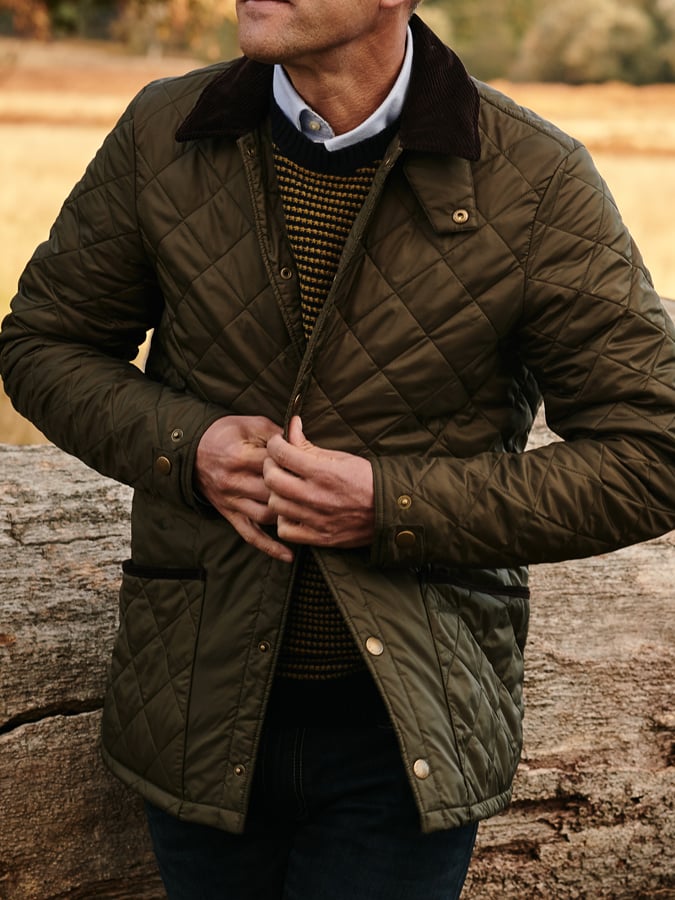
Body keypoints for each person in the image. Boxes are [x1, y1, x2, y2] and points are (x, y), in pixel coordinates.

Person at [2, 1, 675, 897]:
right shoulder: (163, 129)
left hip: (407, 736)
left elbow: (653, 451)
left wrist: (389, 505)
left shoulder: (536, 176)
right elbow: (44, 344)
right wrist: (188, 447)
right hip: (192, 709)